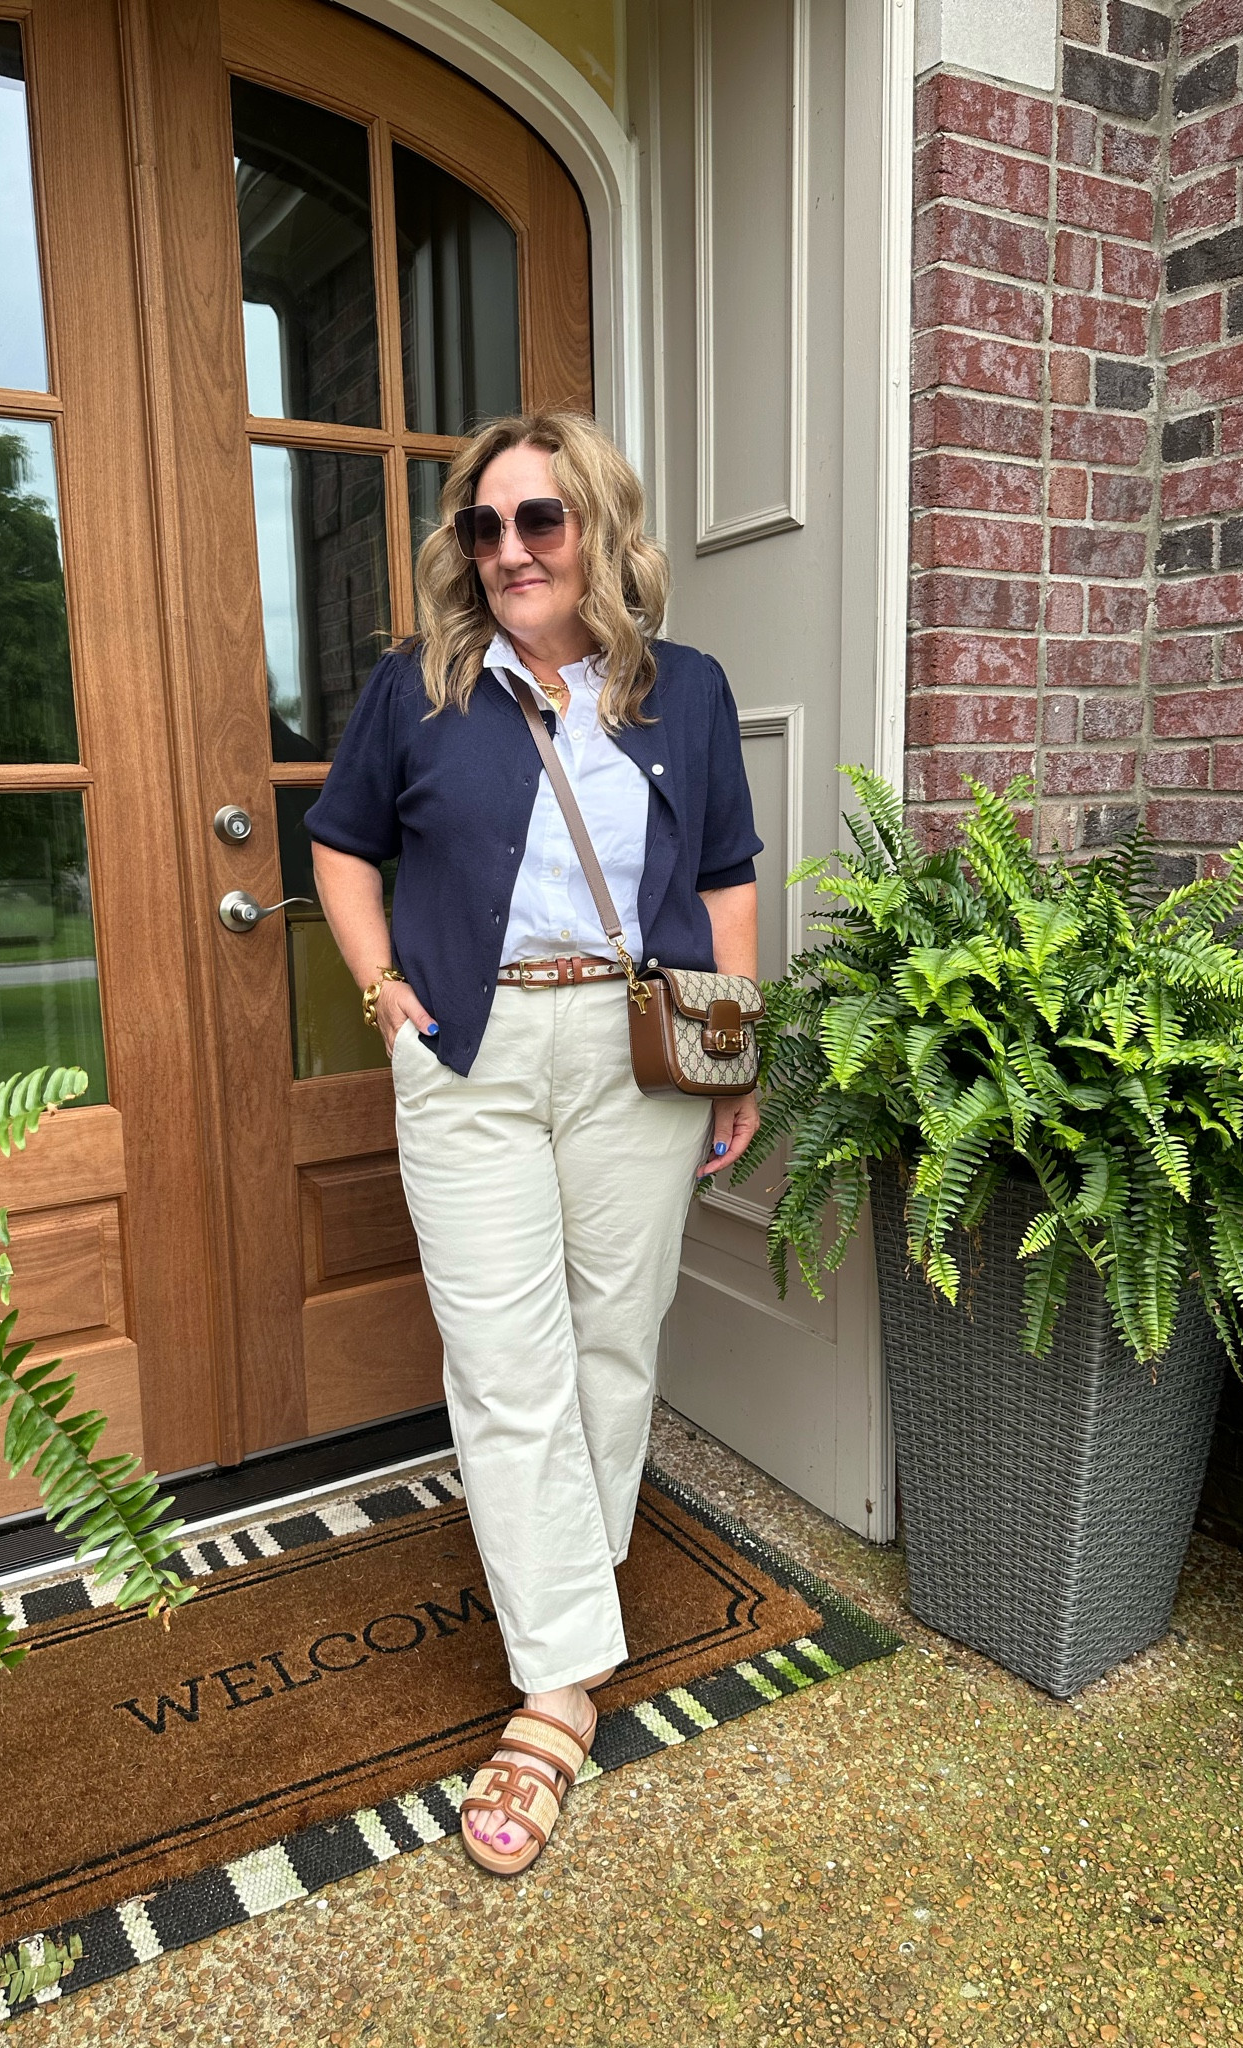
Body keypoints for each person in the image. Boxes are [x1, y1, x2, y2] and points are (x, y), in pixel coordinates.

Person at [304, 410, 762, 1876]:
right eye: (484, 526)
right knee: (506, 1361)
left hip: (635, 1051)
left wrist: (734, 1046)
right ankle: (559, 1687)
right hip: (471, 1055)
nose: (509, 549)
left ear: (600, 532)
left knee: (614, 1334)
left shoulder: (686, 693)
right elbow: (340, 842)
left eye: (540, 520)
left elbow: (726, 876)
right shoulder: (420, 690)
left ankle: (566, 1587)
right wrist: (381, 989)